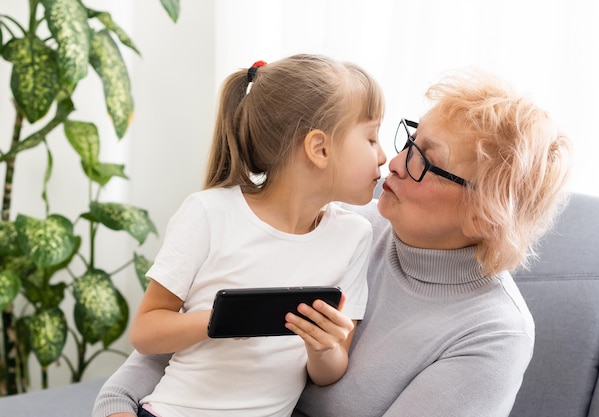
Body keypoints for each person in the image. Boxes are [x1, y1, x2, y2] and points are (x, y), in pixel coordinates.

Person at [93, 68, 571, 417]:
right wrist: (116, 408)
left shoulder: (493, 332)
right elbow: (171, 343)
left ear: (485, 212)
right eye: (411, 140)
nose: (395, 163)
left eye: (426, 160)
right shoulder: (345, 223)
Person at [116, 54, 387, 417]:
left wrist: (324, 349)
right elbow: (145, 333)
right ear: (320, 149)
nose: (384, 156)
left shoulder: (354, 236)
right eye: (370, 138)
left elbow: (327, 374)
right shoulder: (209, 214)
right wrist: (220, 320)